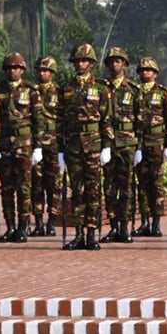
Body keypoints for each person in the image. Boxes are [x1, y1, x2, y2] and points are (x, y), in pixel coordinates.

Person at [58, 43, 112, 251]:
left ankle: (91, 233)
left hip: (93, 143)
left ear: (91, 63)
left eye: (84, 60)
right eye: (78, 61)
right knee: (77, 191)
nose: (81, 64)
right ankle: (79, 233)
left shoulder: (100, 88)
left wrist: (106, 146)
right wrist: (60, 149)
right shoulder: (67, 88)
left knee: (93, 190)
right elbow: (60, 120)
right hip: (72, 145)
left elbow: (107, 119)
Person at [0, 52, 36, 243]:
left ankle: (23, 226)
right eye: (10, 68)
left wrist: (39, 147)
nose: (13, 71)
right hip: (4, 144)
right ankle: (10, 225)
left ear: (22, 70)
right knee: (6, 188)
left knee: (24, 187)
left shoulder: (30, 90)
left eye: (17, 67)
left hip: (23, 144)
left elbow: (39, 119)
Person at [132, 57, 167, 238]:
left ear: (155, 74)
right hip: (139, 143)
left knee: (156, 184)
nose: (144, 73)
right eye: (142, 70)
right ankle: (144, 222)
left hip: (156, 142)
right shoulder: (134, 92)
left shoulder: (163, 93)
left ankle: (156, 223)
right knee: (142, 184)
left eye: (148, 70)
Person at [102, 47, 138, 243]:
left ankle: (125, 227)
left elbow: (140, 119)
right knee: (109, 187)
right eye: (112, 61)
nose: (115, 64)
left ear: (124, 64)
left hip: (127, 143)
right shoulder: (101, 87)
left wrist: (138, 146)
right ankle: (113, 225)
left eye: (118, 61)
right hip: (108, 143)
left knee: (126, 187)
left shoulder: (133, 89)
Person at [30, 55, 62, 236]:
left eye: (46, 71)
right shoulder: (30, 92)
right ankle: (38, 222)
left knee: (54, 184)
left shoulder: (59, 93)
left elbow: (64, 119)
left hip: (53, 143)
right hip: (35, 143)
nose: (42, 74)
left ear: (52, 73)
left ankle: (52, 221)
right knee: (36, 183)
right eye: (40, 70)